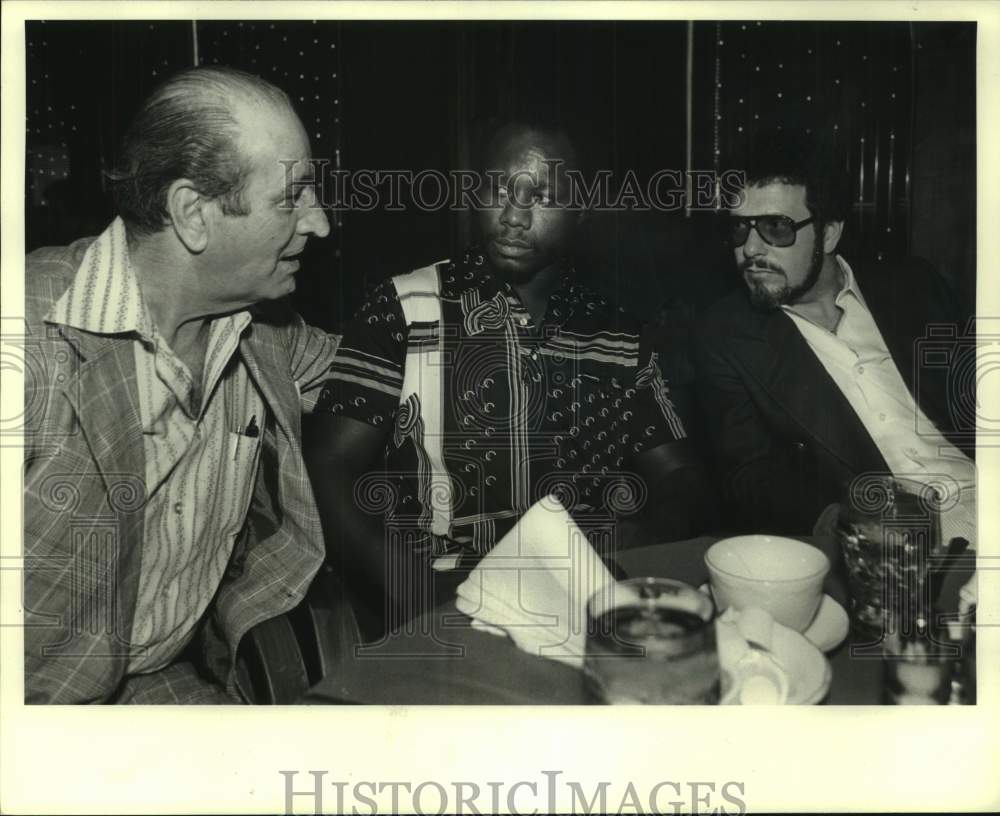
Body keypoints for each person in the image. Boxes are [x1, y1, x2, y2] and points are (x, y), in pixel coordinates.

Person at [309, 120, 710, 631]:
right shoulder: (407, 306)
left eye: (541, 196)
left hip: (583, 596)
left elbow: (679, 474)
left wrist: (635, 548)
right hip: (441, 595)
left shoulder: (619, 335)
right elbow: (329, 462)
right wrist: (405, 584)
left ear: (581, 209)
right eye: (499, 188)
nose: (514, 216)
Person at [23, 66, 337, 703]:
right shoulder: (25, 337)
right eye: (292, 197)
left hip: (160, 680)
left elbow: (383, 373)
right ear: (194, 213)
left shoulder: (266, 332)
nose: (320, 223)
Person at [692, 130, 975, 541]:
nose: (750, 249)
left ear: (828, 233)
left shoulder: (914, 286)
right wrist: (851, 525)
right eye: (739, 229)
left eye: (776, 227)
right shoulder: (725, 335)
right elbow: (750, 476)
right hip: (896, 536)